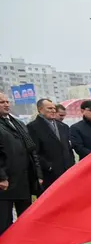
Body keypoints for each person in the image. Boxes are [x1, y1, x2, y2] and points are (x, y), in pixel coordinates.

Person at [0, 92, 43, 234]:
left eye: (7, 101)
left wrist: (38, 173)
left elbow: (31, 149)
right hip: (6, 183)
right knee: (5, 222)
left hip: (24, 179)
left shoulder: (17, 122)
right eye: (2, 102)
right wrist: (1, 177)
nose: (6, 104)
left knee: (25, 219)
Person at [27, 98, 75, 193]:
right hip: (48, 175)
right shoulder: (33, 127)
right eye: (49, 108)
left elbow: (68, 149)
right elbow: (34, 152)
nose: (53, 110)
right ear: (40, 109)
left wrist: (71, 165)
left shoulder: (63, 127)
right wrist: (49, 167)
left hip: (67, 173)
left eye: (54, 108)